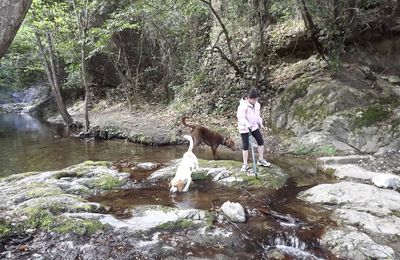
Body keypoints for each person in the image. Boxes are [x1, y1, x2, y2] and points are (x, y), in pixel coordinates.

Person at [237, 87, 271, 172]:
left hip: (254, 126)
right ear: (248, 98)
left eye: (256, 99)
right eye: (253, 99)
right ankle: (245, 164)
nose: (255, 101)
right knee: (246, 145)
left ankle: (260, 159)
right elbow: (241, 118)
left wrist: (261, 123)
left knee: (260, 141)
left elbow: (257, 116)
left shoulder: (257, 105)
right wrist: (247, 125)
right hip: (244, 128)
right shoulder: (243, 106)